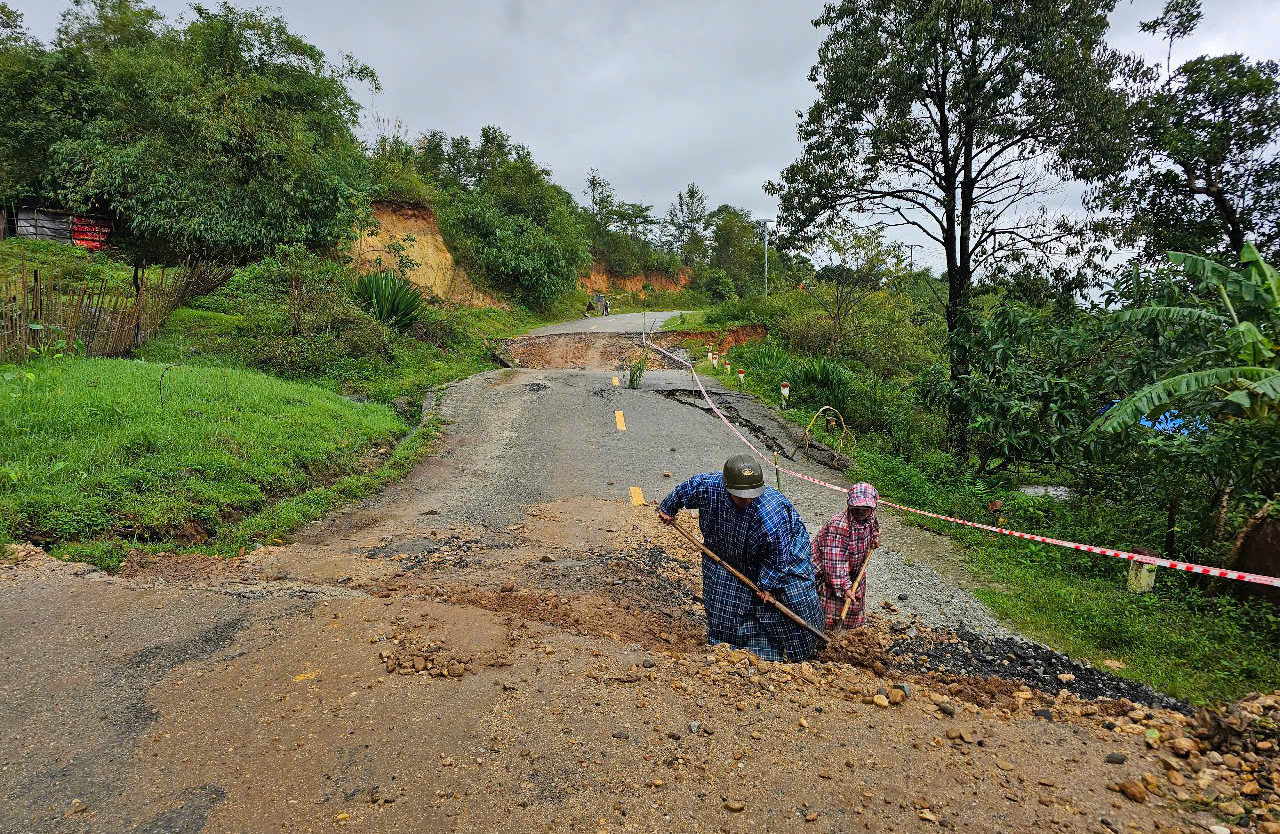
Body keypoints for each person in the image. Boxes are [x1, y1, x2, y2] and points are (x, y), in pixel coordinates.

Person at [657, 454, 824, 661]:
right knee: (723, 601)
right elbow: (686, 489)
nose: (747, 499)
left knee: (793, 599)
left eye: (751, 495)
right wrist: (668, 507)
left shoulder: (770, 513)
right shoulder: (709, 486)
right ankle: (725, 649)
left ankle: (798, 653)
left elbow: (778, 552)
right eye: (740, 495)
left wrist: (769, 585)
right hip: (724, 552)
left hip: (783, 558)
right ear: (727, 487)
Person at [811, 482, 880, 631]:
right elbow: (835, 563)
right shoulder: (839, 526)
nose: (861, 511)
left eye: (865, 508)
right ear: (849, 505)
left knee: (854, 602)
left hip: (855, 569)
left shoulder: (871, 516)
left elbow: (874, 527)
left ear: (873, 507)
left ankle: (849, 636)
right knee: (831, 608)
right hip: (828, 573)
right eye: (856, 508)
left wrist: (875, 538)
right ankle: (827, 637)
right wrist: (844, 586)